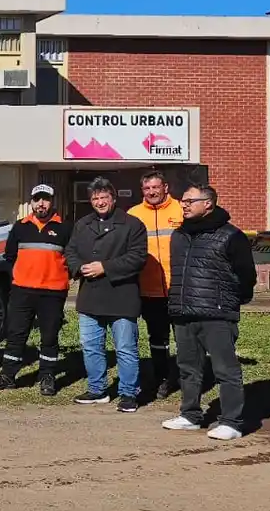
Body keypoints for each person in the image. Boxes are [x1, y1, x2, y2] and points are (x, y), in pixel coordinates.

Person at [162, 185, 256, 441]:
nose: (184, 204)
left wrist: (233, 301)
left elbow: (247, 275)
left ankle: (232, 422)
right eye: (183, 200)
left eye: (190, 200)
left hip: (217, 314)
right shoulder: (179, 236)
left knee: (225, 369)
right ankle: (190, 415)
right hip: (183, 312)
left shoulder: (231, 236)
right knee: (188, 367)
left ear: (208, 204)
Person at [64, 176, 149, 412]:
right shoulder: (82, 224)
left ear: (113, 198)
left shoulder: (132, 225)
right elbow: (70, 251)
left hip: (121, 295)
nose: (100, 202)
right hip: (90, 296)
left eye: (104, 197)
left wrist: (105, 267)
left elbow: (137, 258)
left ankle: (129, 393)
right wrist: (78, 267)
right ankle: (97, 389)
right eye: (95, 198)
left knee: (125, 348)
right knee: (91, 346)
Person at [0, 183, 70, 396]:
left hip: (53, 292)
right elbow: (10, 256)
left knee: (49, 336)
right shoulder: (20, 226)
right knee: (16, 334)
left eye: (46, 199)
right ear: (31, 202)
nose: (41, 204)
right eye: (37, 199)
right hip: (23, 291)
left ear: (52, 201)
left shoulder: (65, 227)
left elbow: (73, 257)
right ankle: (8, 375)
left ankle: (47, 376)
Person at [128, 171, 185, 398]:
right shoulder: (133, 214)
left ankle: (187, 378)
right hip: (149, 289)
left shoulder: (182, 210)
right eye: (147, 189)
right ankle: (161, 378)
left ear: (166, 188)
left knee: (185, 337)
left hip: (180, 288)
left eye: (155, 187)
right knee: (157, 338)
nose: (151, 192)